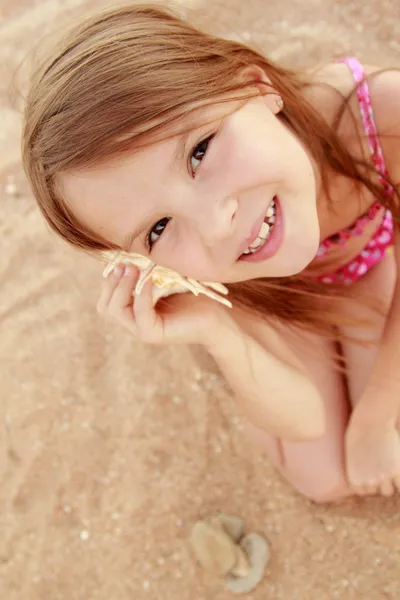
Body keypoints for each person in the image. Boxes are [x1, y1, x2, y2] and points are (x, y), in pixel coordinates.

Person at [22, 3, 400, 503]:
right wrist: (217, 332)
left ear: (254, 86)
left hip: (365, 266)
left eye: (200, 151)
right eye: (157, 229)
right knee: (324, 479)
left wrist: (373, 419)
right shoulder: (206, 265)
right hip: (288, 297)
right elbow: (303, 419)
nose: (215, 224)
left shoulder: (381, 114)